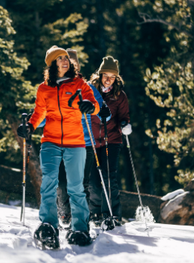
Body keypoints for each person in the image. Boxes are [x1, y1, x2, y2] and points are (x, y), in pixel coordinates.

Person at [17, 46, 100, 248]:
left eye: (66, 58)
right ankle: (48, 225)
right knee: (49, 184)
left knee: (76, 187)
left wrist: (90, 106)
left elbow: (94, 103)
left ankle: (80, 228)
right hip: (50, 141)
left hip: (75, 142)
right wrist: (29, 126)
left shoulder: (79, 83)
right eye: (60, 58)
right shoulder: (44, 88)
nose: (65, 61)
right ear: (52, 64)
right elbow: (38, 113)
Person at [55, 49, 108, 229]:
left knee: (81, 184)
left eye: (74, 65)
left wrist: (100, 110)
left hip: (85, 143)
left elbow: (102, 111)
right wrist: (32, 123)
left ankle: (80, 219)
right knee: (62, 181)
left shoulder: (88, 87)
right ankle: (64, 213)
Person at [86, 56, 131, 227]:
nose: (108, 79)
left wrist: (125, 125)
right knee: (93, 180)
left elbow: (123, 117)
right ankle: (95, 213)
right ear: (100, 74)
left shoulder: (120, 96)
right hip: (91, 141)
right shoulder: (90, 91)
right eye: (106, 75)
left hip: (111, 140)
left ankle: (112, 214)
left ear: (116, 78)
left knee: (109, 178)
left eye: (112, 76)